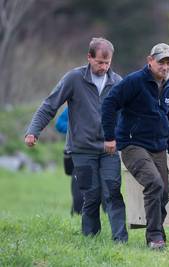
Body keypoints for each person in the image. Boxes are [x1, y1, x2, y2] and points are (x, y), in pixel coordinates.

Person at [25, 37, 128, 243]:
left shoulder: (117, 82)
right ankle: (91, 239)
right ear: (89, 57)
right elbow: (49, 105)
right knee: (91, 196)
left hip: (110, 149)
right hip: (82, 150)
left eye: (107, 63)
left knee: (113, 193)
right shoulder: (74, 79)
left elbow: (130, 114)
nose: (104, 67)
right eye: (99, 62)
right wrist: (33, 131)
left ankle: (120, 241)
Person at [101, 43, 169, 250]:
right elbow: (109, 103)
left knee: (163, 192)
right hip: (132, 144)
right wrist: (109, 137)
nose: (165, 66)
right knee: (154, 184)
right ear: (150, 61)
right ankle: (155, 237)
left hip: (158, 147)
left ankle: (157, 233)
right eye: (161, 62)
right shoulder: (134, 81)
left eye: (168, 62)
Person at [55, 107, 83, 216]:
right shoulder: (74, 106)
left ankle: (105, 217)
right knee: (78, 189)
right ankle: (76, 215)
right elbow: (59, 124)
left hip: (102, 152)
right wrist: (75, 129)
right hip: (76, 152)